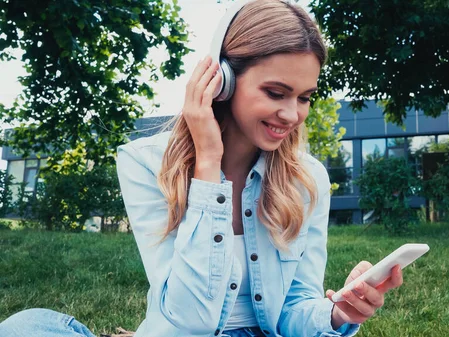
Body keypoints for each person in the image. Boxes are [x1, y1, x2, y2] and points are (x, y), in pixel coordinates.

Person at [0, 1, 403, 336]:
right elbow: (190, 317)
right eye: (276, 92)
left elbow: (295, 307)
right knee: (26, 327)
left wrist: (338, 314)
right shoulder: (145, 162)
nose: (291, 114)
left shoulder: (308, 179)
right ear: (222, 81)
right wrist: (208, 164)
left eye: (304, 97)